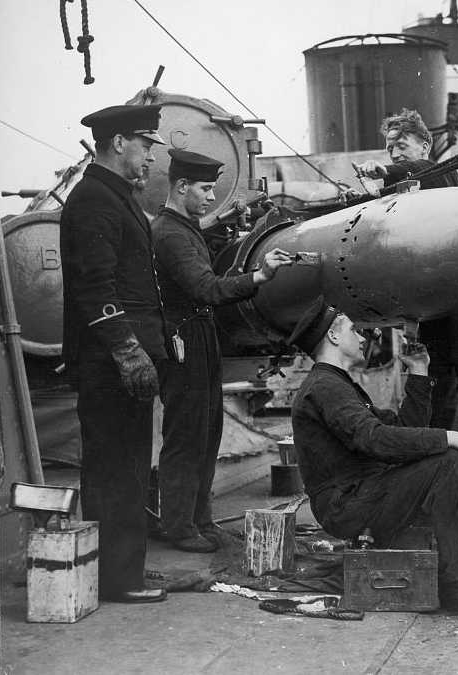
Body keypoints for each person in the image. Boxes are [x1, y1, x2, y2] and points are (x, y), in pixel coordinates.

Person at [289, 299, 458, 617]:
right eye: (354, 330)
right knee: (449, 461)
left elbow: (398, 430)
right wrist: (453, 437)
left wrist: (420, 373)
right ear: (333, 336)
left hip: (361, 496)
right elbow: (376, 439)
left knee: (445, 459)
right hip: (348, 506)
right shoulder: (325, 387)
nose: (363, 338)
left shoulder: (337, 385)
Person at [356, 109, 458, 497]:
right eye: (389, 147)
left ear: (424, 144)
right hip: (433, 307)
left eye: (401, 145)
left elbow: (422, 170)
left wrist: (386, 172)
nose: (394, 152)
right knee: (438, 389)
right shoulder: (404, 188)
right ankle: (448, 468)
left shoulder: (442, 173)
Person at [151, 149, 294, 553]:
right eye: (205, 189)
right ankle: (178, 526)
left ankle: (200, 518)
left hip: (199, 335)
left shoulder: (185, 226)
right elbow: (206, 289)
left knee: (208, 430)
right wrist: (260, 276)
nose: (212, 197)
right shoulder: (171, 233)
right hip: (184, 340)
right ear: (181, 187)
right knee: (186, 434)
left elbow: (209, 282)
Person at [60, 104, 168, 603]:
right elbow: (94, 285)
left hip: (120, 361)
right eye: (146, 146)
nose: (151, 157)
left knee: (125, 465)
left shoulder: (113, 196)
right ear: (119, 142)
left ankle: (121, 571)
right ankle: (117, 579)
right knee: (116, 468)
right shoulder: (94, 200)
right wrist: (127, 350)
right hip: (110, 364)